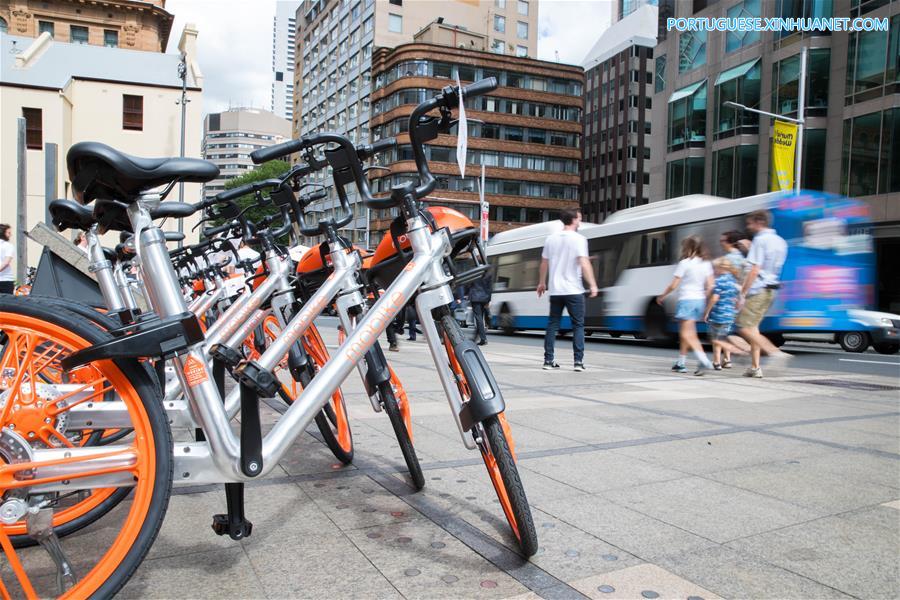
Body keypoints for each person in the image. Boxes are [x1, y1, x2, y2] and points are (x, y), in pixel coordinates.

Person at [537, 208, 599, 372]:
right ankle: (578, 362)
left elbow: (544, 262)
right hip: (574, 290)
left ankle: (548, 361)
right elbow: (584, 263)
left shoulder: (551, 239)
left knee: (552, 325)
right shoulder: (579, 239)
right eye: (579, 219)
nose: (580, 221)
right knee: (578, 325)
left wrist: (542, 283)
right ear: (573, 220)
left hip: (556, 290)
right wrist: (592, 284)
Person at [736, 210, 790, 378]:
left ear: (759, 222)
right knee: (753, 329)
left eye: (750, 223)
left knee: (744, 327)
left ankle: (776, 353)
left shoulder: (760, 240)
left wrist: (742, 293)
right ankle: (755, 367)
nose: (748, 226)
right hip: (770, 289)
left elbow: (754, 270)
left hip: (758, 289)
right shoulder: (781, 242)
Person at [656, 236, 714, 375]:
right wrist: (702, 296)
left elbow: (674, 285)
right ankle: (681, 363)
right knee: (687, 333)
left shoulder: (685, 263)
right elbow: (711, 285)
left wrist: (662, 296)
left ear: (687, 247)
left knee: (686, 334)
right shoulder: (706, 264)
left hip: (687, 300)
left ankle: (704, 360)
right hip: (699, 301)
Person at [704, 258, 741, 370]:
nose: (714, 270)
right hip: (729, 314)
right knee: (725, 337)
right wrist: (734, 309)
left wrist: (707, 312)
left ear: (720, 268)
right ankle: (727, 360)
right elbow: (737, 298)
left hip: (718, 314)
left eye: (715, 268)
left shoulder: (719, 281)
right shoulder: (733, 281)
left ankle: (716, 362)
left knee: (717, 339)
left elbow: (715, 298)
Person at [468, 266, 493, 346]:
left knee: (478, 318)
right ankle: (476, 338)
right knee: (480, 319)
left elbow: (469, 285)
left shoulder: (474, 274)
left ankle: (483, 339)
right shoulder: (488, 274)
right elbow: (490, 289)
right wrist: (488, 300)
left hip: (475, 298)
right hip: (484, 298)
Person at [0, 225, 15, 294]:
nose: (11, 235)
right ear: (2, 233)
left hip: (5, 280)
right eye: (8, 233)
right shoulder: (8, 246)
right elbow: (6, 262)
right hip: (5, 280)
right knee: (6, 303)